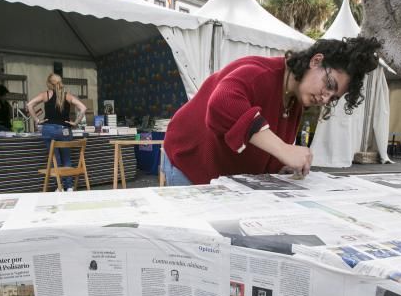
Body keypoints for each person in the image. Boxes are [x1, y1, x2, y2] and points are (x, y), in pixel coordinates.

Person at [162, 37, 380, 185]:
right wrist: (284, 149)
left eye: (333, 97)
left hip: (225, 179)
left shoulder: (296, 100)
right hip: (188, 161)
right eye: (328, 84)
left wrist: (279, 166)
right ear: (316, 61)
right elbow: (222, 103)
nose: (325, 97)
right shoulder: (260, 73)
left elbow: (264, 141)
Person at [27, 73, 88, 190]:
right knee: (67, 159)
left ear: (49, 84)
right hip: (64, 130)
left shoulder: (45, 95)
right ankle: (69, 187)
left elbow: (29, 105)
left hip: (49, 129)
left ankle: (59, 187)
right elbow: (83, 108)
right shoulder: (68, 96)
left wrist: (37, 120)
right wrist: (75, 123)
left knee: (56, 159)